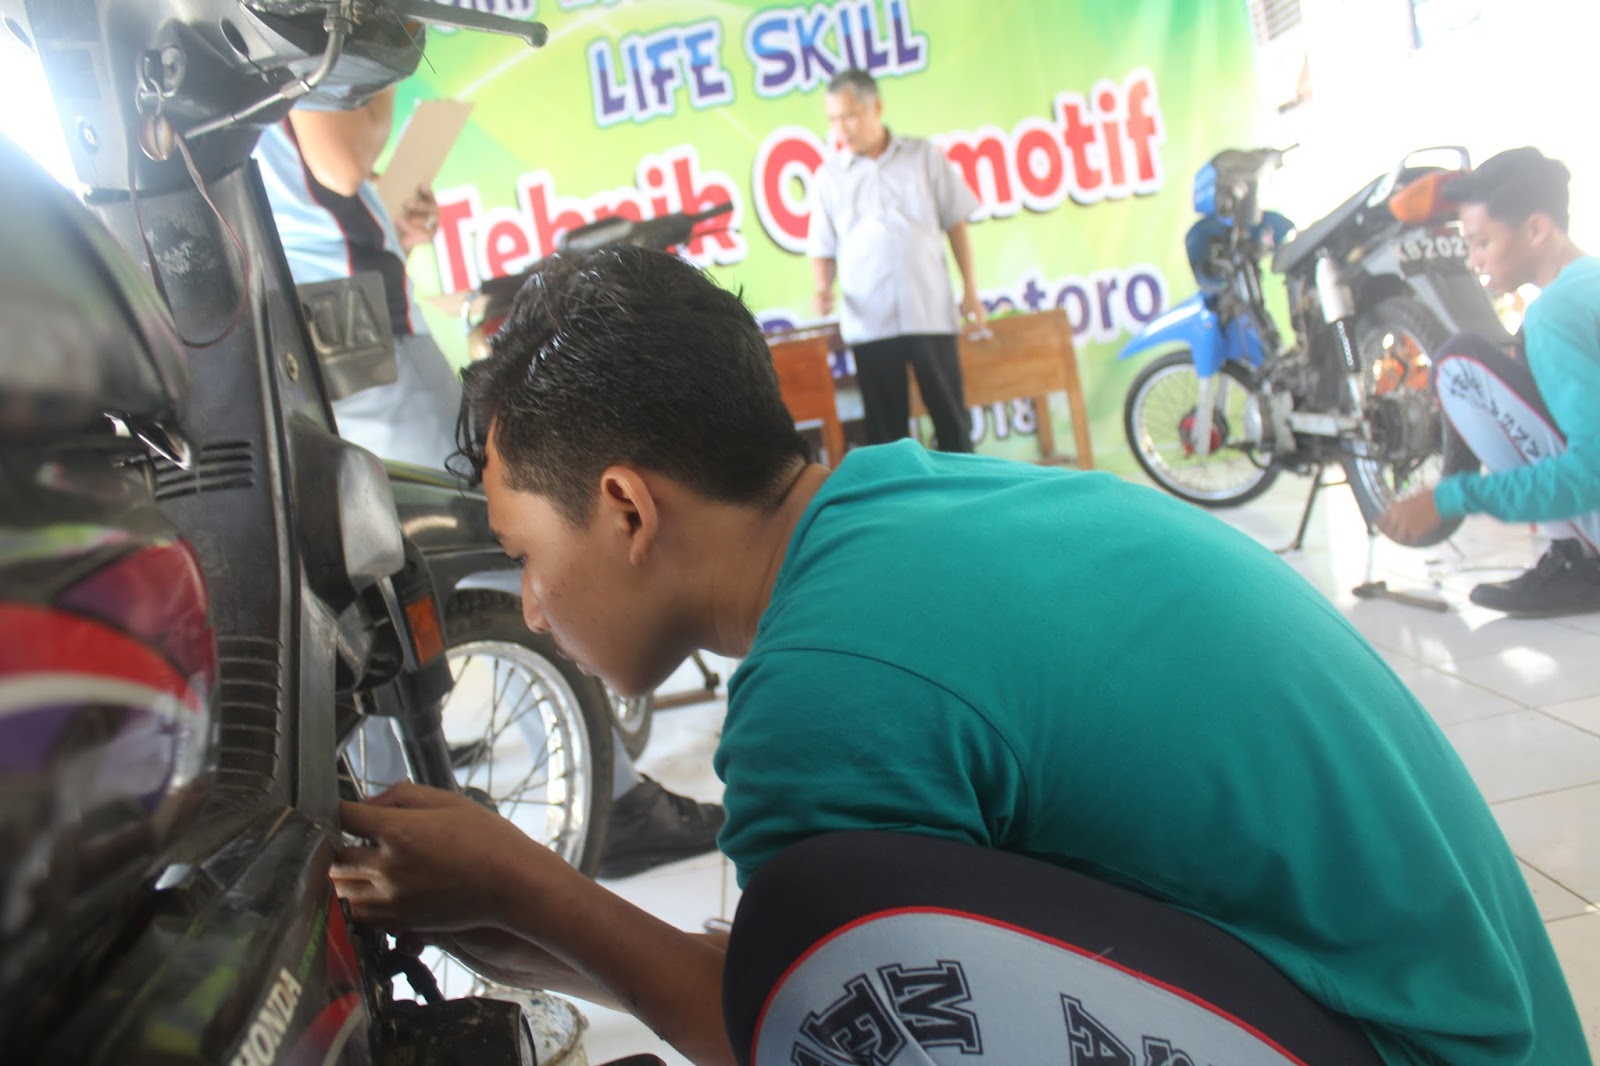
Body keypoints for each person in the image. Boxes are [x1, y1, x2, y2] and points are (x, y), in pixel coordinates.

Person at [329, 245, 1586, 1066]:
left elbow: (787, 1018)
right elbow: (781, 973)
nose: (530, 606)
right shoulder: (895, 502)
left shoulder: (824, 690)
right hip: (1478, 1021)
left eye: (523, 552)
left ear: (624, 507)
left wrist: (531, 884)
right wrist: (512, 904)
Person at [254, 89, 723, 879]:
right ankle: (614, 807)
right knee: (511, 540)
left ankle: (386, 805)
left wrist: (382, 210)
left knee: (357, 589)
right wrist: (381, 87)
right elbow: (338, 159)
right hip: (351, 334)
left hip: (304, 332)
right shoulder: (295, 48)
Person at [1379, 147, 1600, 617]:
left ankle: (1579, 563)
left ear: (1536, 229)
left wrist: (1449, 498)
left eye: (1482, 243)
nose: (1474, 261)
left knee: (1459, 366)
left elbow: (1593, 472)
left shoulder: (1555, 314)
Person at [807, 68, 985, 452]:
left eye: (850, 115)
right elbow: (822, 246)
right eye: (833, 119)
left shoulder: (923, 156)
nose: (842, 128)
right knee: (887, 434)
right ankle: (903, 493)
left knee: (952, 419)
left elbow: (955, 222)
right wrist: (823, 288)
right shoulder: (828, 177)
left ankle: (964, 486)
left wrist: (970, 289)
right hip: (871, 319)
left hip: (929, 309)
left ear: (876, 107)